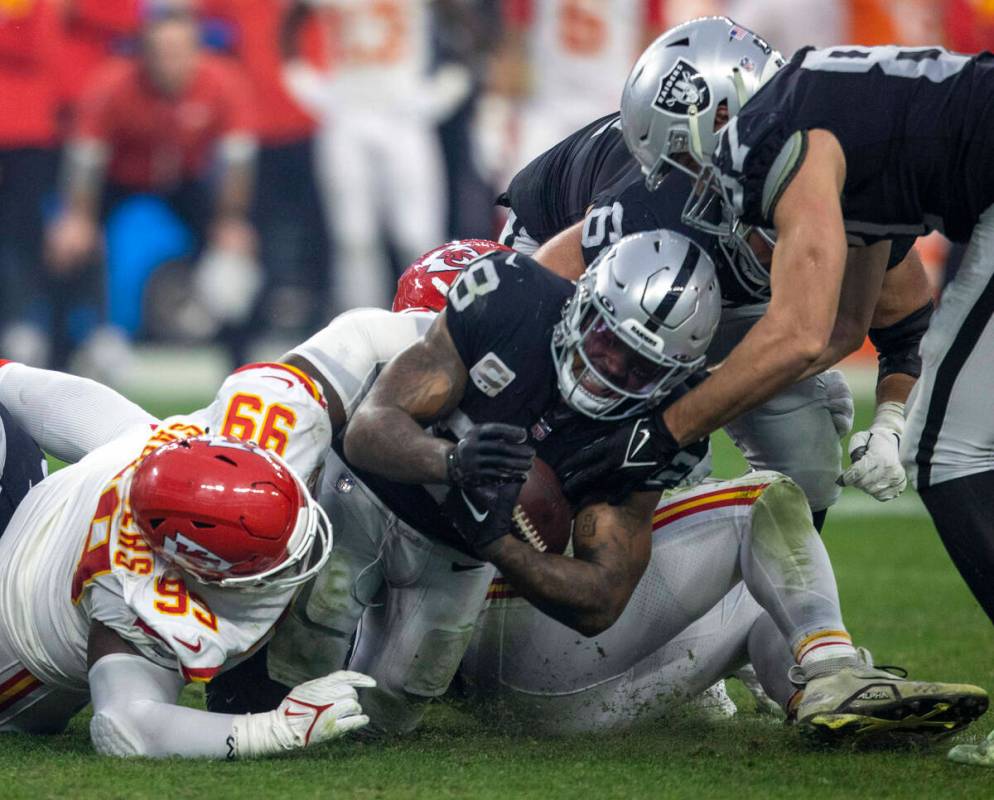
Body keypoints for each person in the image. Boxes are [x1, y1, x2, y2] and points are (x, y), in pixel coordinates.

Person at [616, 20, 994, 764]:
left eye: (690, 158)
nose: (700, 186)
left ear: (722, 113)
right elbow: (840, 327)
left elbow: (796, 333)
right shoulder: (840, 115)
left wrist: (667, 428)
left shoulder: (772, 133)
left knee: (948, 453)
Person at [0, 418, 373, 756]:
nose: (300, 549)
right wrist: (274, 729)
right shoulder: (132, 599)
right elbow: (123, 726)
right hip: (15, 639)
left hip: (36, 507)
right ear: (191, 567)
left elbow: (23, 384)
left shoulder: (160, 438)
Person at [45, 5, 259, 372]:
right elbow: (86, 161)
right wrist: (78, 216)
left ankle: (241, 368)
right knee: (70, 248)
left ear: (197, 50)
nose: (170, 63)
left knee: (237, 254)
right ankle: (59, 358)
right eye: (160, 53)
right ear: (143, 53)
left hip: (186, 180)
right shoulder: (112, 85)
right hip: (119, 178)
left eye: (179, 52)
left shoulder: (223, 82)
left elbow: (237, 163)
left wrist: (231, 220)